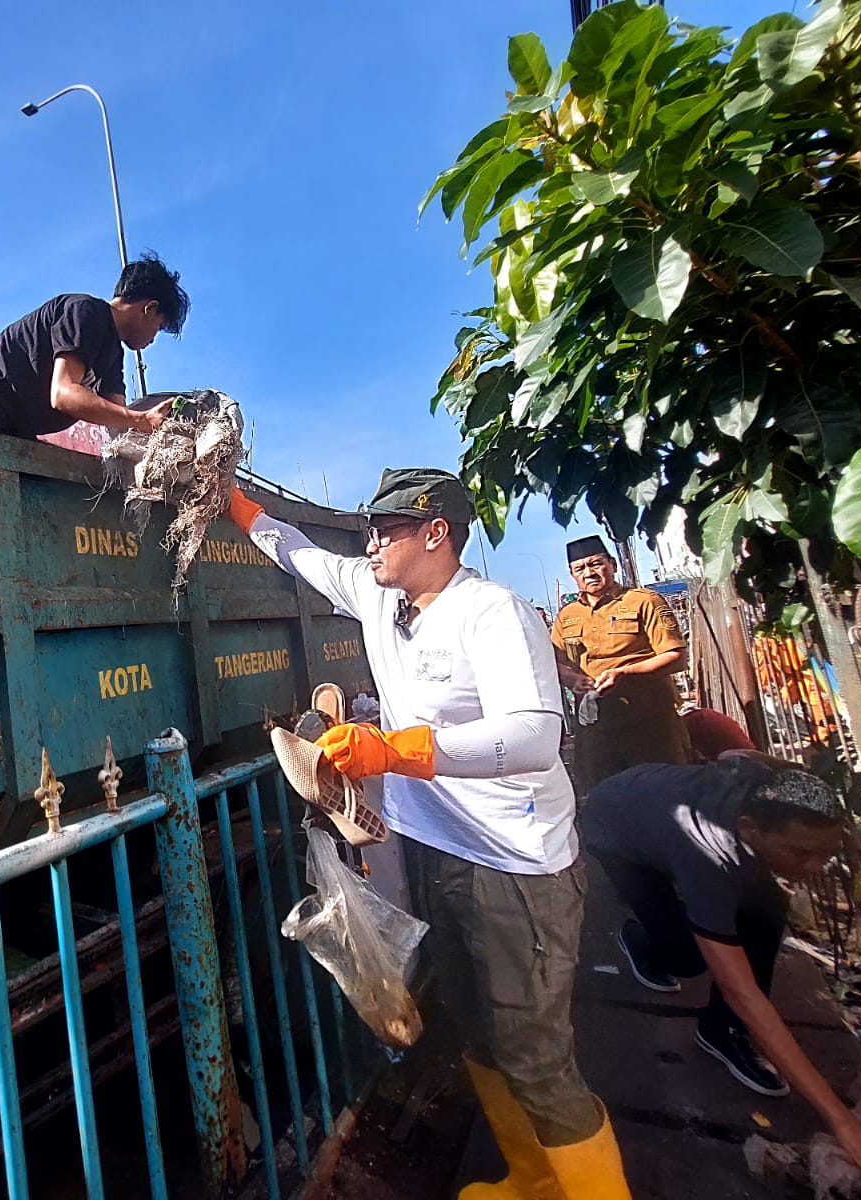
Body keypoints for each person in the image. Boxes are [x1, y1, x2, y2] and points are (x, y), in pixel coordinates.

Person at [230, 469, 631, 1198]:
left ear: (435, 534)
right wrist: (227, 496)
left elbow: (537, 737)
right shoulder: (381, 600)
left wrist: (398, 750)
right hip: (445, 856)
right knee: (475, 1029)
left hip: (519, 869)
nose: (370, 541)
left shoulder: (493, 613)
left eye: (386, 529)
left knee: (535, 1055)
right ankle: (533, 1180)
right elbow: (295, 551)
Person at [584, 757, 861, 1200]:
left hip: (658, 802)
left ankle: (720, 1030)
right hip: (613, 827)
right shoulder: (708, 854)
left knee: (769, 910)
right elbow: (744, 993)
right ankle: (643, 939)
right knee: (688, 959)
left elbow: (737, 758)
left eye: (826, 853)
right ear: (749, 829)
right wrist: (847, 1129)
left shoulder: (771, 789)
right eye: (800, 853)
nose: (814, 868)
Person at [0, 253, 189, 440]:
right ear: (150, 308)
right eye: (158, 326)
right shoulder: (86, 312)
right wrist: (142, 420)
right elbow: (63, 394)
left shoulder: (113, 354)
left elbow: (120, 423)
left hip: (15, 427)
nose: (153, 339)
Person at [551, 536, 691, 792]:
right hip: (595, 729)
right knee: (603, 798)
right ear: (572, 575)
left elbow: (676, 657)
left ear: (612, 564)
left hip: (650, 724)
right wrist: (573, 680)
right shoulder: (567, 616)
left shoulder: (644, 601)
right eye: (580, 569)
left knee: (667, 794)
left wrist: (625, 673)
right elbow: (555, 663)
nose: (589, 573)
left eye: (596, 564)